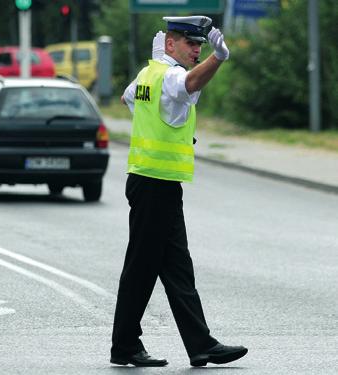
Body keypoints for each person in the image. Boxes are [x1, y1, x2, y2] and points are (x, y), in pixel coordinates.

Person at [110, 16, 248, 368]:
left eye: (201, 45)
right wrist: (218, 58)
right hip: (154, 183)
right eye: (190, 44)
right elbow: (187, 82)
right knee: (142, 268)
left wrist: (160, 66)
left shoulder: (148, 75)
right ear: (170, 44)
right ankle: (125, 346)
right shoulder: (170, 76)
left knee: (177, 268)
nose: (197, 50)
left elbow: (131, 99)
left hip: (157, 183)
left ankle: (201, 345)